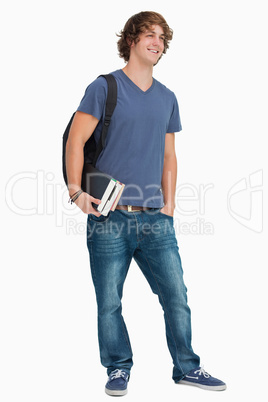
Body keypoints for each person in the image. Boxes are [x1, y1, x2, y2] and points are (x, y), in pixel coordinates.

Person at [66, 11, 226, 396]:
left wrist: (169, 206)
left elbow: (169, 156)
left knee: (176, 297)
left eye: (162, 38)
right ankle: (118, 368)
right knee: (109, 302)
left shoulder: (168, 98)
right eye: (149, 35)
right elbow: (75, 139)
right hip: (108, 218)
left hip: (156, 219)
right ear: (132, 40)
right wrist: (76, 192)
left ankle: (187, 367)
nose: (157, 42)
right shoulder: (104, 87)